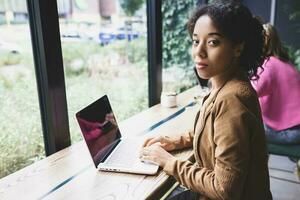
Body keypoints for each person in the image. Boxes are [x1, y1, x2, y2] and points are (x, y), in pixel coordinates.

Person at [140, 1, 272, 199]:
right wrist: (174, 142)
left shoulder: (232, 99)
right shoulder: (223, 84)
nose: (199, 52)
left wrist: (169, 162)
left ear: (238, 48)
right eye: (195, 41)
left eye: (212, 42)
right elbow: (215, 133)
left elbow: (224, 189)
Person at [251, 23, 300, 145]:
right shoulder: (286, 63)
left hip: (289, 132)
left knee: (242, 129)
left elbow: (251, 91)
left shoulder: (269, 64)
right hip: (295, 129)